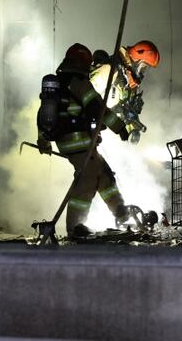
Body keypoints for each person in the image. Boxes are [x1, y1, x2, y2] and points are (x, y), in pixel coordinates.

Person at [36, 43, 133, 236]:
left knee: (104, 175)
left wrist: (43, 142)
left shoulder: (61, 84)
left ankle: (122, 213)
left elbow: (43, 116)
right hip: (78, 142)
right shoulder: (78, 83)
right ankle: (75, 227)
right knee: (87, 179)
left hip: (71, 142)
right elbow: (98, 108)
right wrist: (119, 127)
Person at [88, 40, 160, 144]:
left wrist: (132, 129)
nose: (143, 72)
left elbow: (126, 110)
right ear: (136, 59)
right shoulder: (111, 69)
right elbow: (87, 94)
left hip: (108, 131)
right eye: (143, 67)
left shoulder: (128, 79)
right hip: (93, 128)